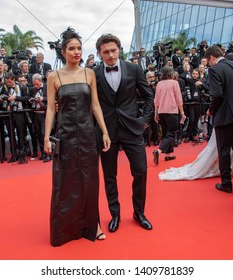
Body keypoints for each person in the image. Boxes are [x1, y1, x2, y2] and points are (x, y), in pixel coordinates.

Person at [44, 27, 111, 247]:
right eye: (71, 48)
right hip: (65, 136)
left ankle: (94, 225)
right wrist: (46, 137)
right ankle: (66, 228)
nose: (76, 52)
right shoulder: (53, 76)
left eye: (79, 48)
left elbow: (95, 105)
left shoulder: (88, 73)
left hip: (88, 135)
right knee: (66, 182)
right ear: (63, 51)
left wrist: (104, 131)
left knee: (90, 181)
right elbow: (51, 110)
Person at [94, 33, 154, 232]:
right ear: (100, 54)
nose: (110, 55)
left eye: (113, 50)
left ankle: (139, 212)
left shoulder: (134, 68)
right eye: (106, 52)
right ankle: (115, 214)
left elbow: (148, 97)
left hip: (132, 129)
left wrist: (144, 121)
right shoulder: (94, 73)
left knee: (141, 171)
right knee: (110, 175)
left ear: (119, 50)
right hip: (106, 132)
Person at [205, 45, 233, 194]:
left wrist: (211, 110)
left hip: (224, 116)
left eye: (208, 60)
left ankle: (226, 183)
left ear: (212, 57)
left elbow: (217, 95)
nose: (208, 64)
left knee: (223, 150)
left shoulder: (215, 70)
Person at [153, 66, 184, 165]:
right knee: (171, 133)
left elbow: (156, 100)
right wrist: (182, 112)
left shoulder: (159, 84)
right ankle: (159, 151)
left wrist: (156, 112)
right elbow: (179, 99)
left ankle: (168, 155)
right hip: (171, 111)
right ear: (171, 73)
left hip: (161, 111)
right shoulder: (174, 83)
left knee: (166, 133)